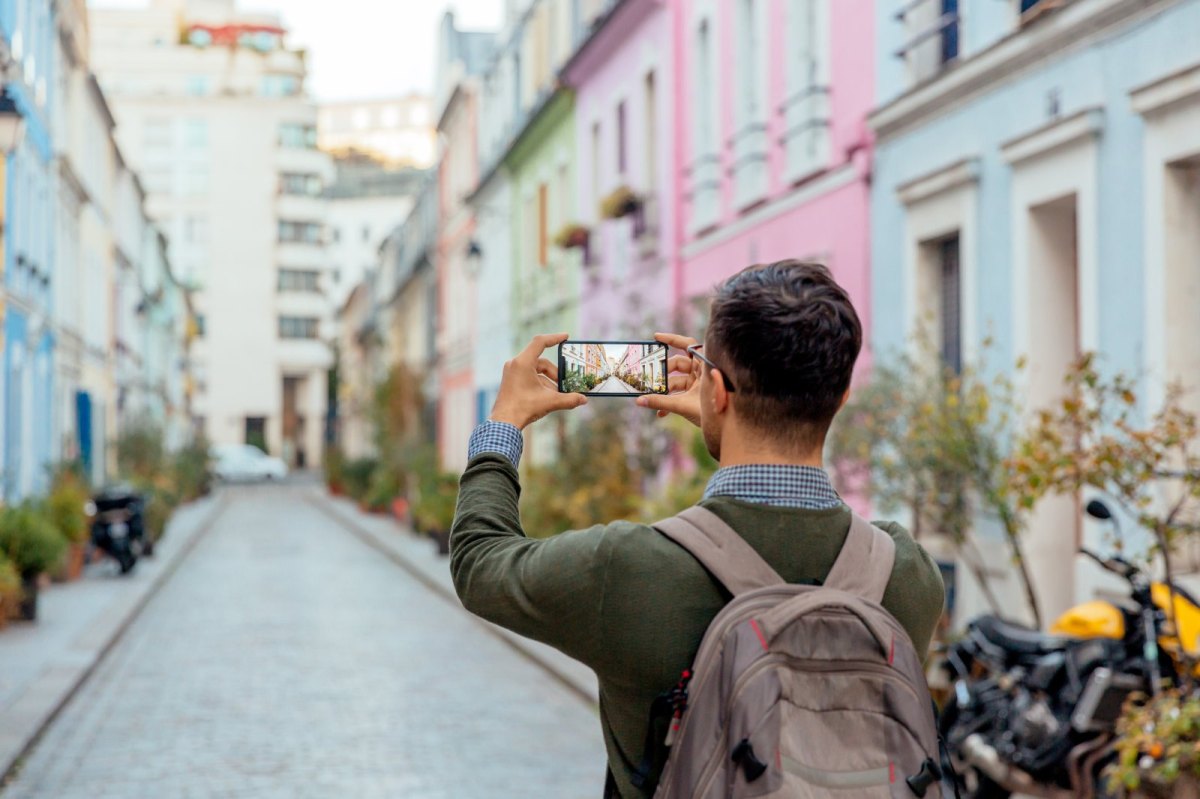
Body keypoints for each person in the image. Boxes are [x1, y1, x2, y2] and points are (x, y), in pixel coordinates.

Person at [450, 260, 945, 798]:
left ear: (718, 390)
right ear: (841, 397)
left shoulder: (627, 570)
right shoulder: (907, 575)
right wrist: (725, 424)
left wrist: (502, 425)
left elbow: (480, 564)